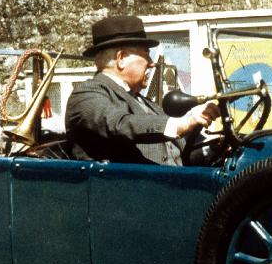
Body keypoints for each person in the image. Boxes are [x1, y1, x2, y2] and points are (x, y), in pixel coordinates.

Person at [65, 15, 219, 165]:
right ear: (122, 58)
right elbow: (120, 123)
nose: (152, 63)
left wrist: (214, 147)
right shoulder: (86, 94)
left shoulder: (146, 103)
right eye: (147, 55)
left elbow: (181, 154)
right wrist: (182, 124)